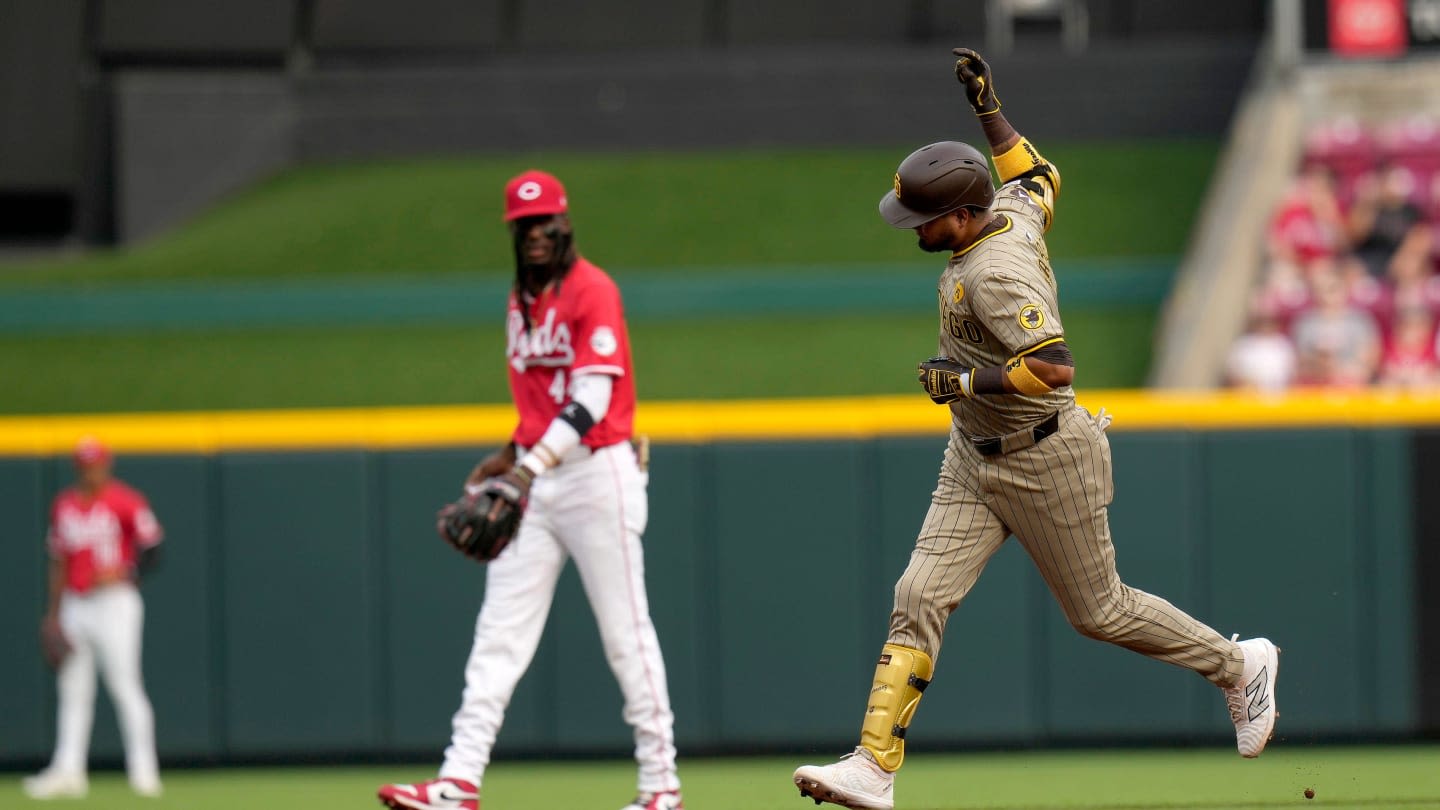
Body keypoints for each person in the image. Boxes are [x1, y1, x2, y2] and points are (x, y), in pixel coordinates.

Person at [791, 49, 1280, 810]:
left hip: (1045, 455)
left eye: (923, 219)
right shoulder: (1008, 209)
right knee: (917, 592)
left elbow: (1054, 365)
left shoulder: (995, 271)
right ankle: (874, 767)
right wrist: (989, 108)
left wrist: (961, 380)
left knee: (1101, 612)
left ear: (958, 214)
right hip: (972, 457)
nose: (913, 229)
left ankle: (1237, 664)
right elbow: (1039, 173)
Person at [377, 170, 682, 810]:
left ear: (564, 225)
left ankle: (661, 787)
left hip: (600, 478)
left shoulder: (591, 290)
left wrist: (525, 467)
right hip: (537, 480)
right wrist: (510, 457)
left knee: (626, 635)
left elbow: (592, 396)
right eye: (523, 226)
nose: (535, 234)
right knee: (498, 636)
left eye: (544, 223)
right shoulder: (521, 298)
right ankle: (458, 781)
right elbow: (544, 402)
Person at [25, 437, 163, 800]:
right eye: (85, 464)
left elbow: (153, 549)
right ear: (77, 467)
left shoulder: (126, 500)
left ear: (107, 464)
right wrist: (52, 615)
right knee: (73, 690)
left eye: (96, 463)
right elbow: (58, 561)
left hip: (115, 602)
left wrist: (123, 571)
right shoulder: (64, 505)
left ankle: (144, 772)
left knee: (125, 685)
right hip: (76, 603)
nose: (91, 470)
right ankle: (68, 770)